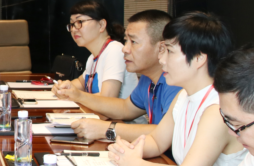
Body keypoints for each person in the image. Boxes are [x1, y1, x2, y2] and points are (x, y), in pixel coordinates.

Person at [106, 12, 254, 166]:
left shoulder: (218, 108)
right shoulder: (184, 95)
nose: (161, 59)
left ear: (199, 58)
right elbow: (156, 142)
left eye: (169, 51)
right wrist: (127, 151)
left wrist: (133, 164)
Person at [58, 10, 182, 143]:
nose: (125, 49)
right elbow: (125, 108)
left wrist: (106, 129)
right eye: (126, 40)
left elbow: (169, 132)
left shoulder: (177, 81)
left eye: (133, 41)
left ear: (161, 48)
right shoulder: (148, 78)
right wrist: (78, 95)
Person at [52, 0, 138, 100]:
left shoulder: (114, 50)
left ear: (101, 25)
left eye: (80, 22)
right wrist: (62, 87)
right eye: (71, 24)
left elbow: (107, 98)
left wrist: (76, 95)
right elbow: (81, 83)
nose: (74, 29)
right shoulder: (93, 57)